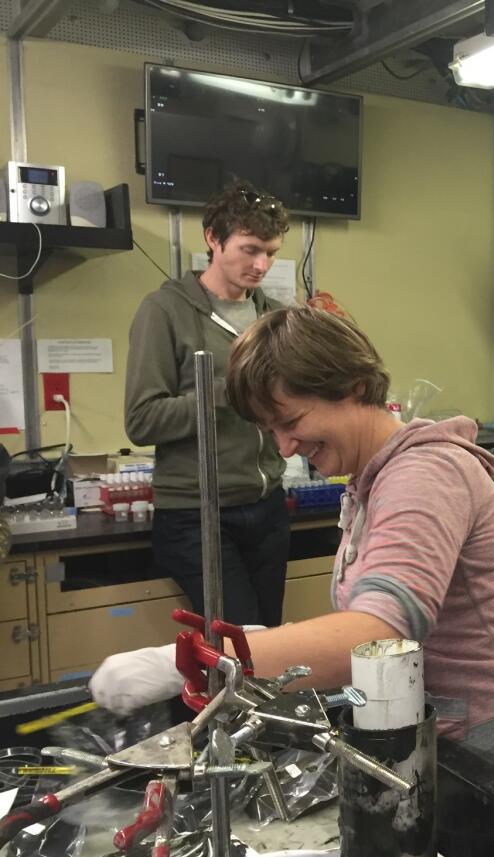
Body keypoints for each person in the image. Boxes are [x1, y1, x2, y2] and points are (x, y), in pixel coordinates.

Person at [93, 307, 494, 816]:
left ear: (352, 386)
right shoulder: (368, 481)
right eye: (271, 430)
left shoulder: (424, 473)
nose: (285, 446)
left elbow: (375, 638)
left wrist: (206, 660)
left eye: (290, 421)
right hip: (447, 758)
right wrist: (272, 645)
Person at [125, 181, 291, 627]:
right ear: (212, 239)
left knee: (269, 641)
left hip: (268, 504)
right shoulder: (164, 312)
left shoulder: (273, 315)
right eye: (250, 249)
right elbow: (142, 421)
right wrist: (226, 391)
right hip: (198, 514)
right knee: (239, 644)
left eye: (271, 252)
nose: (261, 265)